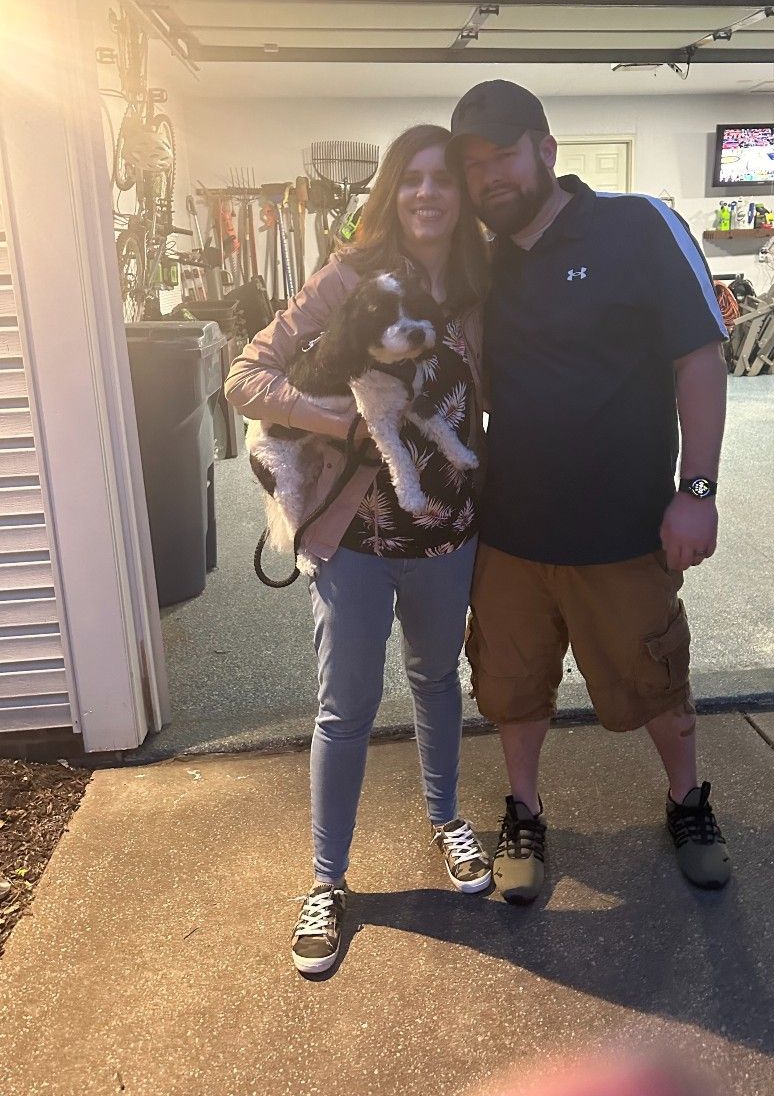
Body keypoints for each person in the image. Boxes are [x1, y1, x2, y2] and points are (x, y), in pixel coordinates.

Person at [446, 80, 731, 904]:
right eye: (474, 164)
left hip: (624, 528)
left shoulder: (637, 227)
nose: (489, 176)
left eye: (502, 154)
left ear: (545, 149)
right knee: (509, 686)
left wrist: (699, 490)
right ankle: (525, 812)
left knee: (655, 682)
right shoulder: (479, 260)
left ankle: (687, 801)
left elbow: (700, 360)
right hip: (509, 532)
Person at [224, 124, 491, 974]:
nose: (426, 194)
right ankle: (329, 881)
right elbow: (244, 378)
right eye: (410, 178)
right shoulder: (346, 277)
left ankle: (447, 821)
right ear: (390, 190)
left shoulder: (481, 289)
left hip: (447, 531)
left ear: (462, 193)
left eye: (442, 178)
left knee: (437, 680)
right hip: (356, 539)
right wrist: (337, 419)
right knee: (344, 708)